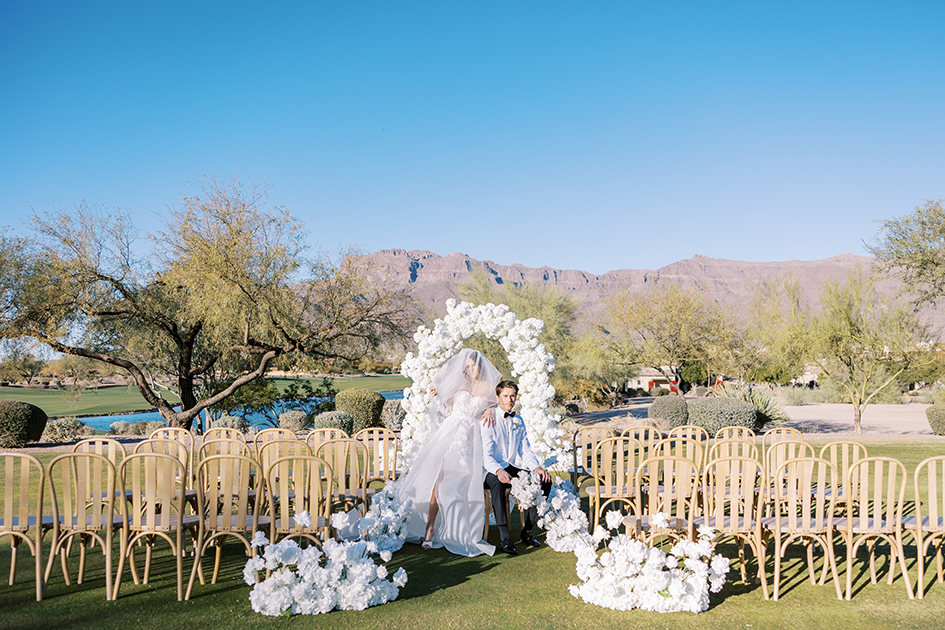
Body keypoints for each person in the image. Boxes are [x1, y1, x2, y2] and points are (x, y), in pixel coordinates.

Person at [391, 348, 498, 557]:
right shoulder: (461, 384)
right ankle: (429, 528)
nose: (469, 369)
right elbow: (448, 411)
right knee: (437, 478)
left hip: (471, 438)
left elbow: (498, 409)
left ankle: (457, 528)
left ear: (480, 366)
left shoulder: (488, 387)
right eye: (466, 366)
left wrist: (490, 409)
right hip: (450, 432)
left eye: (472, 365)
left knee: (460, 482)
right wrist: (437, 397)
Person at [481, 380, 552, 555]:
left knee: (544, 481)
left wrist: (537, 468)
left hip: (511, 466)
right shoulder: (488, 419)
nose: (509, 399)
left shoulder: (518, 420)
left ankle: (527, 531)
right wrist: (498, 471)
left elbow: (525, 450)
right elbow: (485, 455)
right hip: (490, 468)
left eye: (512, 396)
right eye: (505, 396)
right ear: (498, 397)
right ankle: (505, 538)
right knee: (498, 483)